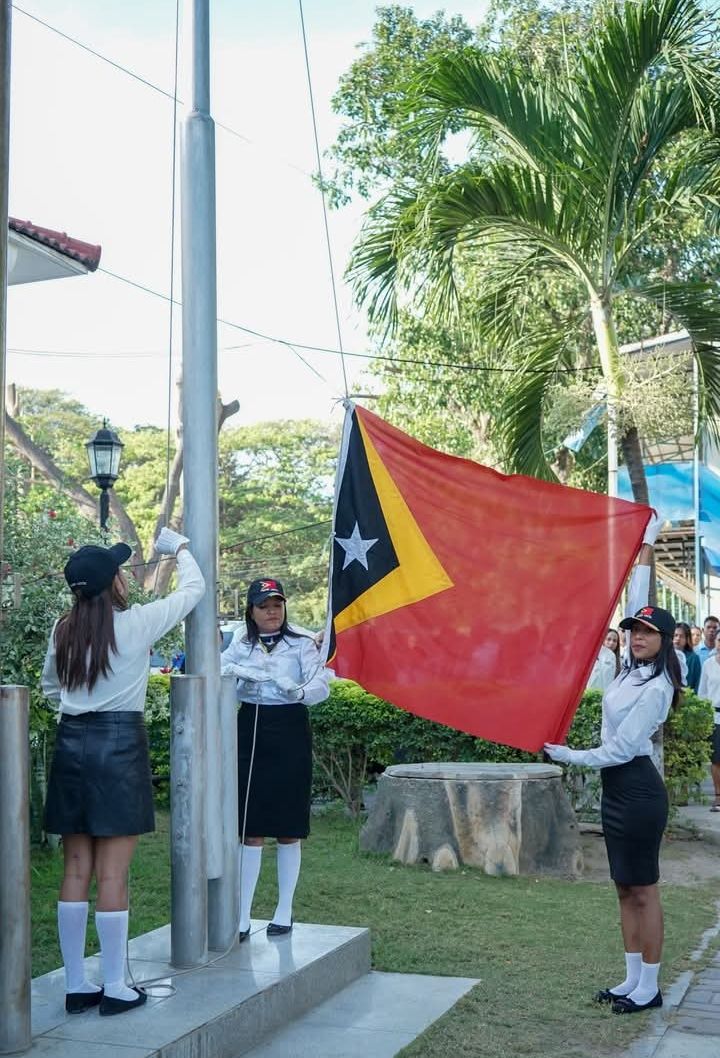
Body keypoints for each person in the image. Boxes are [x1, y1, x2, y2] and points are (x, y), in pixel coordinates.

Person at [41, 528, 205, 1016]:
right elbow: (193, 593)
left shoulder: (61, 630)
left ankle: (76, 986)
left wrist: (79, 707)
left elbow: (52, 689)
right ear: (113, 582)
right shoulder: (135, 625)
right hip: (118, 746)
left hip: (72, 744)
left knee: (75, 870)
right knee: (112, 873)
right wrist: (180, 550)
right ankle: (114, 986)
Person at [545, 512, 681, 1015]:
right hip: (617, 792)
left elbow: (623, 749)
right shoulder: (628, 670)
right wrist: (644, 545)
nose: (637, 636)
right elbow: (635, 593)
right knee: (623, 887)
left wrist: (569, 756)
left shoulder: (657, 687)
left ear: (665, 640)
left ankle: (651, 986)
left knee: (644, 890)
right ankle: (629, 979)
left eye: (647, 631)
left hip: (639, 790)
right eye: (633, 630)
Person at [220, 577, 331, 941]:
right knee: (250, 828)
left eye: (277, 605)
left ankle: (284, 909)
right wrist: (241, 677)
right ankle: (242, 914)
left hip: (289, 725)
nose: (272, 612)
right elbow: (221, 669)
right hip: (251, 725)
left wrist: (296, 689)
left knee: (287, 827)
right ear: (250, 610)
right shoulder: (240, 640)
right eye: (264, 606)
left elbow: (320, 686)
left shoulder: (300, 641)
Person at [697, 652, 720, 812]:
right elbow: (703, 692)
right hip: (715, 716)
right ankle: (718, 796)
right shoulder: (709, 664)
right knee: (716, 758)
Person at [674, 622, 701, 693]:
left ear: (687, 639)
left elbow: (697, 683)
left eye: (681, 636)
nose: (678, 638)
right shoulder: (664, 656)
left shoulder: (694, 658)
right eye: (675, 635)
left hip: (687, 699)